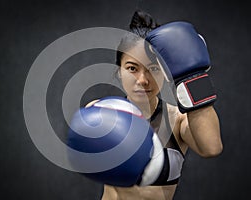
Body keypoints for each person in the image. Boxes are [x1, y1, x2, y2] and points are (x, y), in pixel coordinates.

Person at [90, 10, 223, 200]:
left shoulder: (177, 121)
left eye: (153, 68)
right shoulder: (100, 112)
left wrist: (192, 78)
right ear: (119, 72)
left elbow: (212, 147)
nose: (143, 80)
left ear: (166, 73)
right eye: (132, 68)